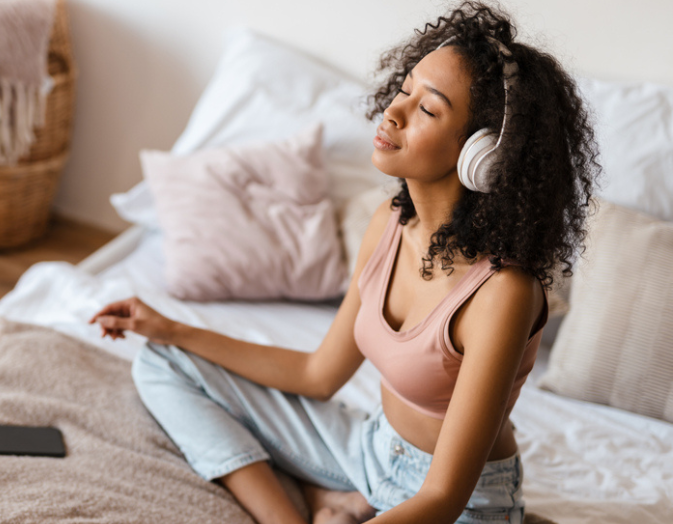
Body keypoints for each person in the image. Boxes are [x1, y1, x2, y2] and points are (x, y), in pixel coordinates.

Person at [89, 2, 599, 523]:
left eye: (428, 109)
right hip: (369, 452)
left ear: (482, 155)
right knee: (162, 360)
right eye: (404, 90)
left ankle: (335, 504)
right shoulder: (389, 222)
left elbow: (442, 499)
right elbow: (317, 373)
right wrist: (171, 328)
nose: (394, 113)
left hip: (459, 505)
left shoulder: (503, 293)